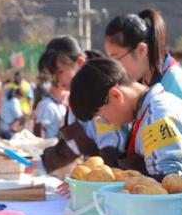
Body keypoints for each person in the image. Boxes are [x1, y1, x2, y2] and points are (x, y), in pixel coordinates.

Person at [70, 58, 182, 215]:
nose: (105, 122)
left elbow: (166, 187)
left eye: (101, 115)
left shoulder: (158, 116)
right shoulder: (147, 112)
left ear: (116, 96)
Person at [104, 9, 182, 147]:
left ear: (141, 50)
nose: (114, 67)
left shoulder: (178, 86)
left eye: (116, 59)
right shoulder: (145, 82)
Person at [37, 36, 127, 173]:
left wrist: (90, 179)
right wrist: (44, 163)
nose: (56, 80)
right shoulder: (78, 94)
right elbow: (74, 143)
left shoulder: (101, 88)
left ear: (80, 62)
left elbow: (112, 147)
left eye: (60, 72)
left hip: (111, 177)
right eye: (52, 75)